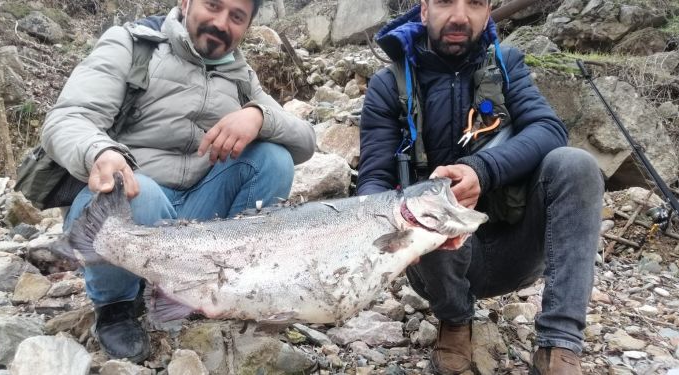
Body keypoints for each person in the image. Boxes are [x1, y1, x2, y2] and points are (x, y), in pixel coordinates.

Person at [41, 0, 315, 363]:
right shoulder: (132, 46)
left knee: (273, 160)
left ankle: (220, 287)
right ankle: (117, 306)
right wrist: (100, 152)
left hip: (195, 215)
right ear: (185, 3)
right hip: (133, 203)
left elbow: (306, 142)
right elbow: (67, 118)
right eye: (213, 6)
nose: (220, 23)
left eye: (236, 17)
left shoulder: (240, 75)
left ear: (247, 27)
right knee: (139, 193)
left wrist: (259, 116)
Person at [358, 1, 603, 374]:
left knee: (577, 164)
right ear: (424, 11)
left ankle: (560, 344)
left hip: (513, 250)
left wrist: (482, 169)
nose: (459, 16)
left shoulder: (506, 65)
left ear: (488, 12)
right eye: (444, 2)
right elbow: (373, 179)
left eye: (473, 3)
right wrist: (388, 229)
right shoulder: (388, 84)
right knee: (433, 196)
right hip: (432, 262)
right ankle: (454, 320)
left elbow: (549, 130)